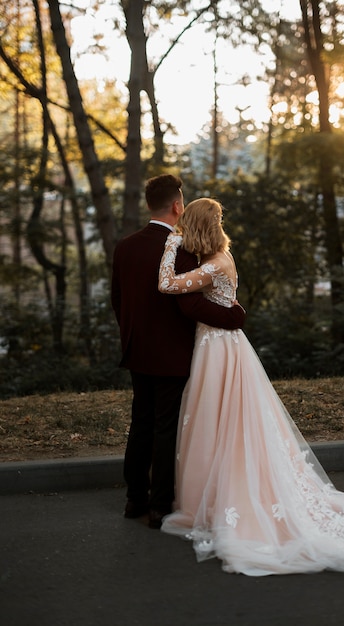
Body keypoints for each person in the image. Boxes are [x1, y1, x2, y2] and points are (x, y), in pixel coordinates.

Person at [158, 196, 344, 575]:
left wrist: (169, 245)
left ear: (193, 227)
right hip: (225, 345)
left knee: (219, 420)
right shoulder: (221, 260)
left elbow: (166, 285)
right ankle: (216, 496)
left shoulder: (212, 266)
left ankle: (221, 500)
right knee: (226, 421)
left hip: (218, 349)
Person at [111, 176, 246, 529]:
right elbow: (190, 306)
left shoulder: (125, 246)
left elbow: (118, 300)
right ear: (176, 206)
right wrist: (233, 315)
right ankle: (159, 507)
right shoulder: (184, 248)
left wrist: (132, 336)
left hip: (137, 350)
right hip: (174, 351)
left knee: (140, 423)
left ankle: (133, 498)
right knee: (166, 427)